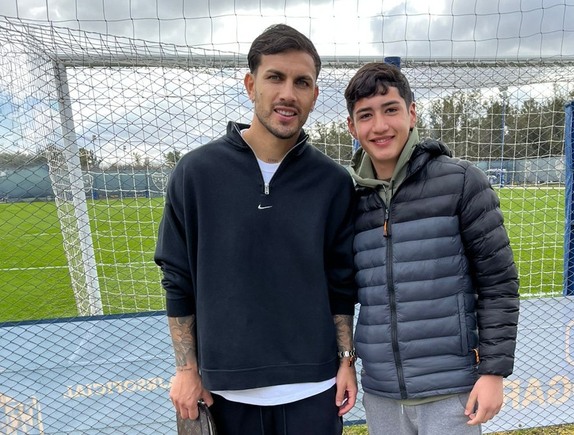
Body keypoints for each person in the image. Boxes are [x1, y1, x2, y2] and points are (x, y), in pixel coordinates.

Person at [154, 24, 358, 435]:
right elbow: (178, 280)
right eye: (275, 77)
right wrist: (186, 369)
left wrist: (345, 361)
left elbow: (341, 283)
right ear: (251, 85)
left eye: (302, 82)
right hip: (225, 393)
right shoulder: (195, 173)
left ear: (315, 95)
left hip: (315, 391)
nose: (288, 93)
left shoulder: (334, 182)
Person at [344, 62, 520, 434]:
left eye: (390, 109)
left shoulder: (460, 181)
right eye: (366, 115)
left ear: (411, 113)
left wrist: (493, 371)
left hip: (451, 390)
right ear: (351, 127)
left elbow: (498, 283)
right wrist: (346, 362)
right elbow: (340, 291)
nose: (379, 126)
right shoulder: (348, 198)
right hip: (381, 392)